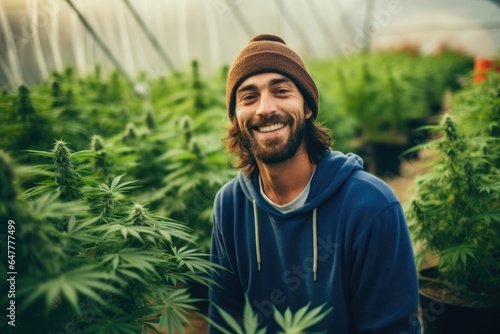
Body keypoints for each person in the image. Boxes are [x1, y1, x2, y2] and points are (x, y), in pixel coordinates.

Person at [209, 34, 421, 333]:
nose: (265, 108)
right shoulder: (229, 205)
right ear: (236, 117)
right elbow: (224, 320)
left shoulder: (370, 205)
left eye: (281, 91)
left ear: (308, 107)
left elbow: (391, 327)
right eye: (249, 96)